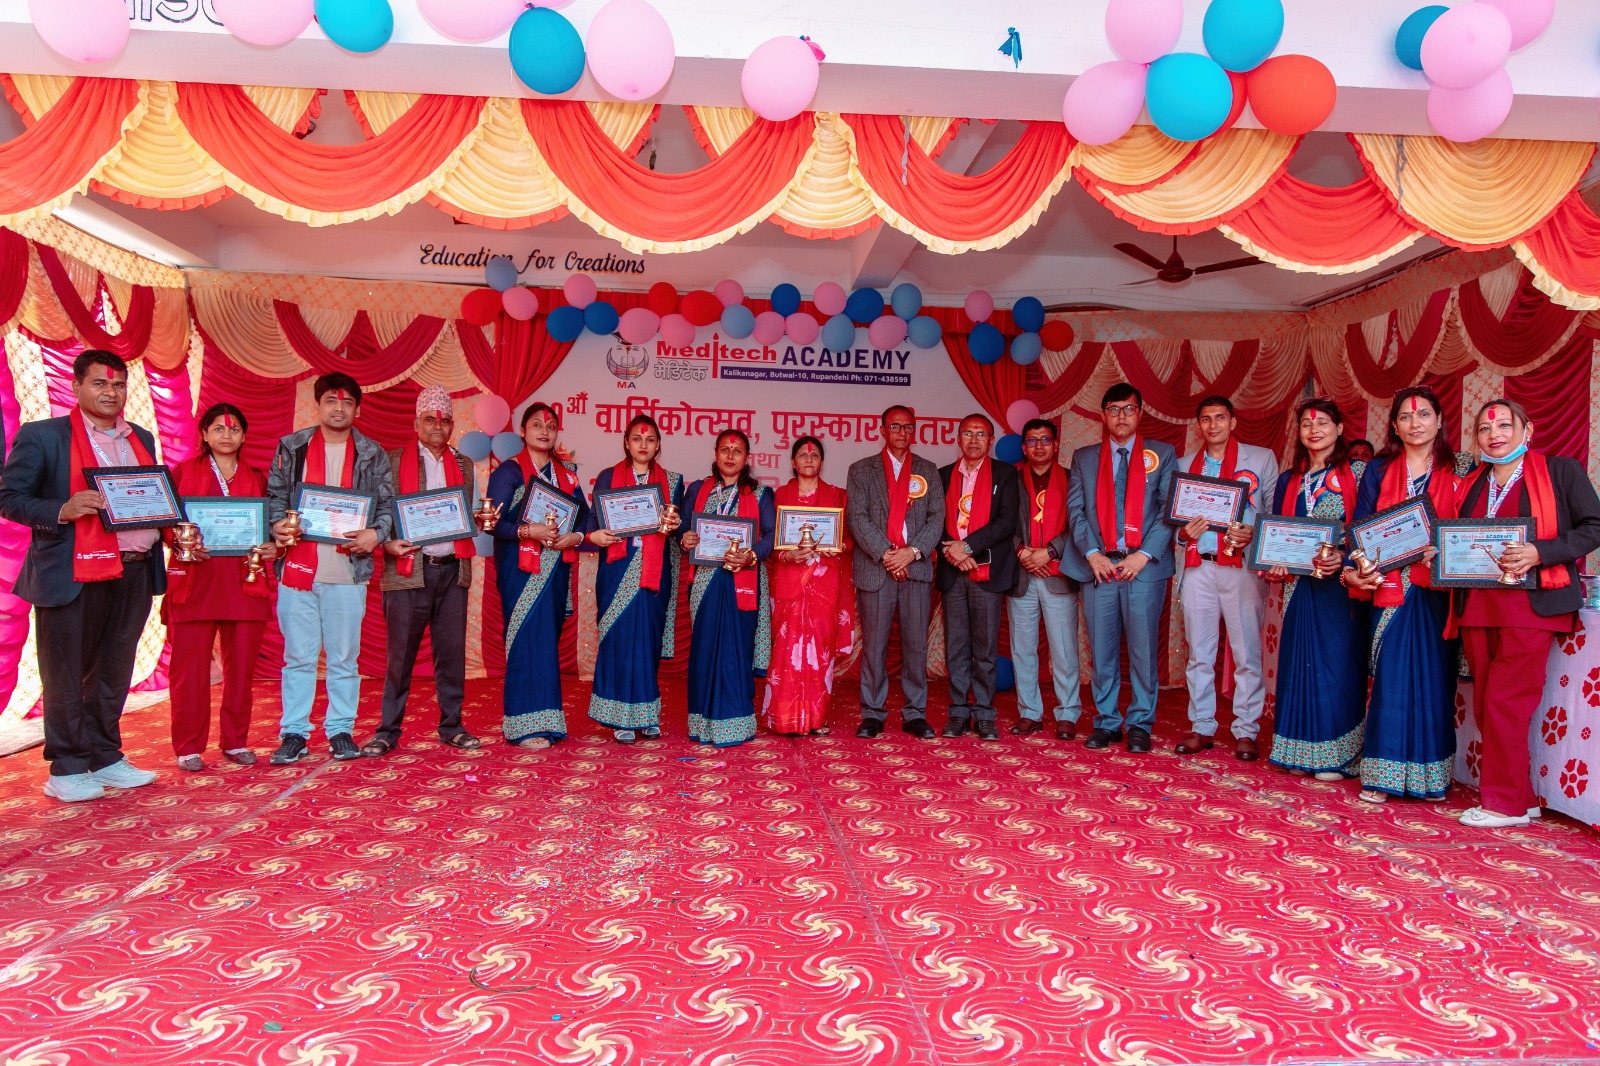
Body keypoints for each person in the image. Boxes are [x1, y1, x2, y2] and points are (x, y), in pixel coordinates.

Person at [0, 350, 166, 801]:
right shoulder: (44, 435)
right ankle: (68, 768)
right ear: (76, 387)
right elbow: (9, 498)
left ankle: (105, 756)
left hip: (133, 570)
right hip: (72, 571)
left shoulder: (141, 437)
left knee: (114, 670)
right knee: (67, 673)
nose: (111, 392)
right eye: (99, 383)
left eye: (119, 385)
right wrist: (62, 508)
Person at [1451, 399, 1600, 828]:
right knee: (1487, 704)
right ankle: (1521, 797)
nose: (1494, 434)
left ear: (1527, 429)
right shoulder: (1472, 482)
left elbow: (1594, 527)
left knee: (1506, 702)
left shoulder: (1559, 471)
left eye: (1504, 425)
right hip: (1477, 605)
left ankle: (1503, 804)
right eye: (1484, 428)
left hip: (1532, 605)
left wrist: (1541, 552)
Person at [1342, 385, 1463, 803]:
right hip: (1389, 587)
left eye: (1424, 415)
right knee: (1391, 677)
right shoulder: (1378, 470)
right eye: (1406, 417)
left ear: (1440, 420)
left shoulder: (1461, 467)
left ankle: (1431, 778)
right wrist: (1360, 564)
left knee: (1434, 678)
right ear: (1394, 425)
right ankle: (1383, 774)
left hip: (1437, 590)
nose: (1415, 424)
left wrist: (1444, 548)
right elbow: (1358, 526)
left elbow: (1470, 523)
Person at [266, 372, 394, 765]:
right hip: (297, 568)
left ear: (357, 409)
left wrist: (376, 533)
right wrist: (276, 524)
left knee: (343, 659)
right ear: (318, 405)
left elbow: (387, 506)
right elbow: (274, 496)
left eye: (347, 403)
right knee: (298, 658)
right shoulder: (292, 447)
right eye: (331, 401)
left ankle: (340, 730)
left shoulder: (372, 452)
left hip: (347, 570)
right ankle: (294, 733)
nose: (339, 409)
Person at [364, 385, 479, 757]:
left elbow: (471, 515)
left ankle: (452, 726)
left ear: (452, 426)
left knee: (451, 655)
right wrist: (385, 543)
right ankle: (387, 731)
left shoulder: (464, 465)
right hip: (408, 570)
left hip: (452, 571)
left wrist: (479, 520)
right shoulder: (391, 461)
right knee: (400, 658)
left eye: (444, 421)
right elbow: (376, 514)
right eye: (430, 420)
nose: (437, 427)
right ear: (416, 423)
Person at [1064, 384, 1176, 754]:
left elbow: (1168, 509)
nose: (1122, 416)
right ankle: (1107, 722)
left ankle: (1140, 722)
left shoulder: (1162, 453)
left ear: (1140, 413)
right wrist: (1092, 553)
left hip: (1142, 567)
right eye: (1114, 409)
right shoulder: (1085, 457)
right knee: (1102, 651)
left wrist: (1144, 555)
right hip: (1100, 566)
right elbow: (1076, 511)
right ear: (1103, 415)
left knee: (1143, 651)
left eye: (1129, 409)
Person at [164, 404, 277, 771]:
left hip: (245, 582)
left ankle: (235, 740)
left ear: (243, 436)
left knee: (241, 670)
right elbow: (167, 522)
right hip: (196, 581)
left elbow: (271, 527)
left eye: (234, 429)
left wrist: (274, 545)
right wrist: (179, 542)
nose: (227, 435)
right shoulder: (183, 473)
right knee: (189, 670)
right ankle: (188, 746)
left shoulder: (257, 478)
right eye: (218, 428)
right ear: (204, 434)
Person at [1265, 398, 1369, 781]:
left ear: (1339, 429)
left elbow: (1367, 527)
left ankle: (1339, 757)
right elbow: (1278, 532)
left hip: (1340, 587)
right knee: (1300, 664)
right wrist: (1276, 562)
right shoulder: (1289, 479)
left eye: (1323, 422)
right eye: (1307, 424)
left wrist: (1344, 557)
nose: (1314, 430)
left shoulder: (1357, 473)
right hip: (1299, 587)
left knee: (1339, 665)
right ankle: (1298, 750)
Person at [1173, 395, 1278, 761]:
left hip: (1241, 568)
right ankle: (1202, 726)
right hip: (1198, 566)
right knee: (1199, 654)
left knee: (1247, 652)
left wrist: (1255, 533)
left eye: (1220, 417)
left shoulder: (1261, 459)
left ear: (1233, 422)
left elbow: (1274, 514)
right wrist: (1183, 534)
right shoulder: (1185, 464)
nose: (1213, 424)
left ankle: (1246, 730)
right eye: (1206, 419)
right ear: (1198, 425)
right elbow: (1173, 523)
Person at [488, 401, 587, 750]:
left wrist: (576, 536)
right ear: (522, 431)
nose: (544, 431)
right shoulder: (509, 472)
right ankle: (522, 726)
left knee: (546, 644)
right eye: (536, 425)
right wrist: (529, 532)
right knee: (525, 642)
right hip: (520, 571)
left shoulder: (566, 474)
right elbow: (493, 524)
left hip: (555, 570)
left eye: (551, 426)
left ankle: (547, 721)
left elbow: (585, 517)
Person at [845, 406, 945, 740]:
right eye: (895, 426)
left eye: (908, 427)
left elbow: (936, 517)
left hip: (915, 567)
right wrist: (888, 555)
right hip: (877, 568)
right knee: (874, 646)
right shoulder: (861, 470)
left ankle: (915, 713)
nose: (902, 432)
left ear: (914, 431)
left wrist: (910, 553)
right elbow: (857, 517)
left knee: (916, 646)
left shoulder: (928, 470)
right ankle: (872, 713)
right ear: (883, 430)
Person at [585, 414, 684, 744]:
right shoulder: (608, 476)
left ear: (658, 446)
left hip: (654, 572)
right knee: (618, 639)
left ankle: (646, 715)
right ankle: (618, 717)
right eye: (637, 439)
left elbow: (680, 528)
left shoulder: (673, 481)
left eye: (650, 439)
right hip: (617, 567)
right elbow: (592, 520)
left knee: (647, 641)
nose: (644, 444)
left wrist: (677, 526)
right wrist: (593, 535)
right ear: (626, 443)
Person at [680, 429, 776, 747]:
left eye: (737, 451)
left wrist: (751, 555)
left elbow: (770, 536)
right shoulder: (698, 489)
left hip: (743, 579)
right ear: (715, 454)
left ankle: (735, 723)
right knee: (706, 649)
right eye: (725, 449)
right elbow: (682, 527)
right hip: (705, 581)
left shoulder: (760, 494)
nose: (730, 455)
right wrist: (685, 538)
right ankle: (703, 723)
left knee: (737, 650)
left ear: (747, 458)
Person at [764, 436, 856, 737]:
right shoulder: (779, 496)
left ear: (822, 462)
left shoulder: (838, 497)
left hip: (824, 583)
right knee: (786, 649)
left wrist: (838, 545)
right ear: (793, 462)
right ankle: (784, 718)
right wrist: (787, 555)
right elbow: (769, 541)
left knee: (820, 650)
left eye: (814, 455)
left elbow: (851, 539)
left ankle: (816, 718)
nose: (808, 459)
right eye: (803, 455)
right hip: (789, 581)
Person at [937, 414, 1020, 741]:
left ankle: (985, 713)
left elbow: (1007, 521)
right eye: (968, 434)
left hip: (988, 572)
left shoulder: (1005, 474)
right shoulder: (943, 474)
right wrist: (953, 552)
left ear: (990, 440)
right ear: (958, 438)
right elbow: (934, 521)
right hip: (952, 570)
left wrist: (968, 547)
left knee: (985, 648)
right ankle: (958, 711)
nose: (974, 440)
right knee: (956, 647)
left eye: (981, 434)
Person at [1007, 418, 1083, 740]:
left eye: (1045, 440)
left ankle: (1067, 713)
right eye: (1032, 441)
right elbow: (1001, 521)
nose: (1039, 446)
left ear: (1056, 444)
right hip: (1022, 573)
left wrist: (1050, 552)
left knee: (1064, 650)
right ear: (1024, 448)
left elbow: (1081, 522)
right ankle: (1029, 712)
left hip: (1059, 574)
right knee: (1023, 649)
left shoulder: (1073, 479)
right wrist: (1023, 552)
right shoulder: (1010, 480)